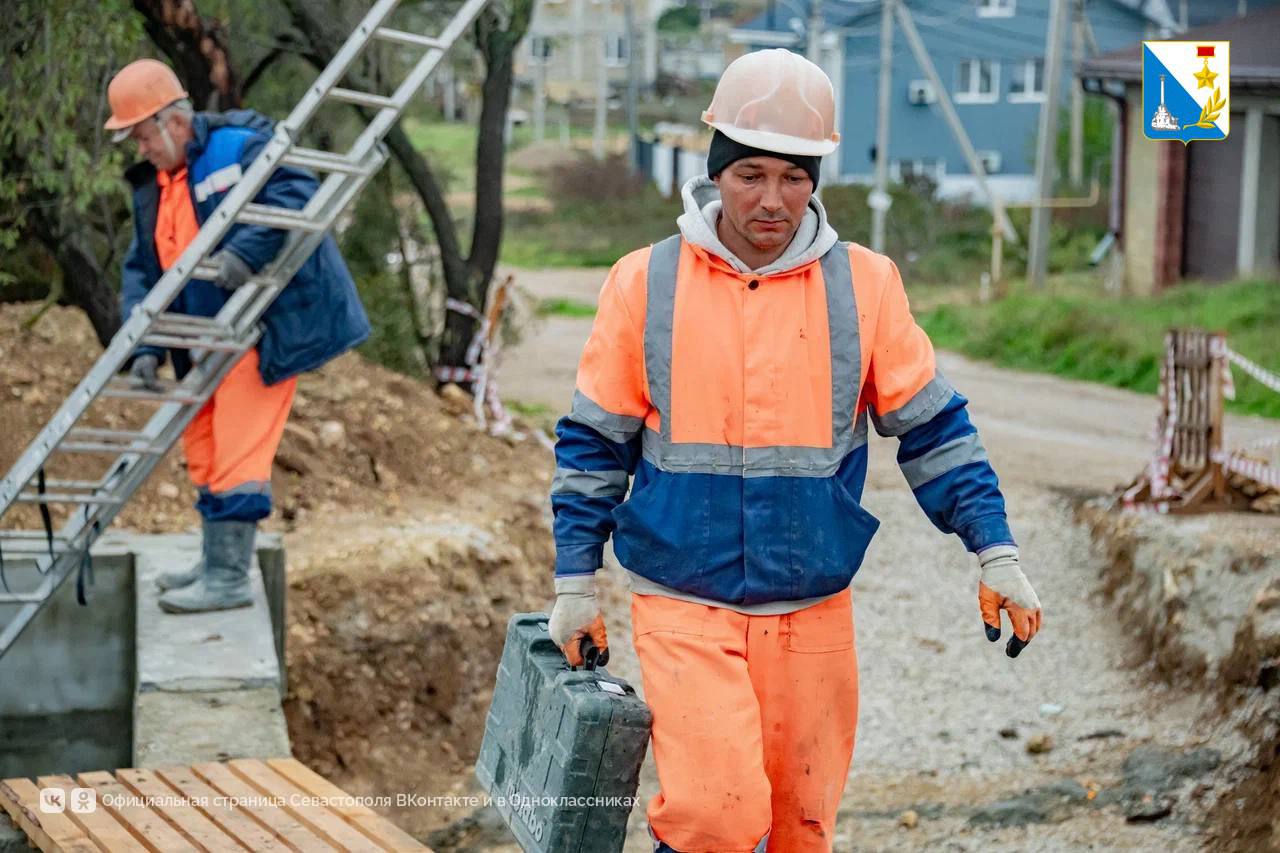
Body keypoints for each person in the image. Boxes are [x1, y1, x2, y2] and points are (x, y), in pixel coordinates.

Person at [547, 49, 1043, 852]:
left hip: (812, 615)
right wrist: (575, 581)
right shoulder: (646, 282)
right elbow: (593, 445)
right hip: (683, 601)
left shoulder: (865, 285)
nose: (771, 199)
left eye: (793, 175)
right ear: (715, 172)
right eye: (750, 175)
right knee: (712, 814)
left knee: (797, 830)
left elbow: (932, 429)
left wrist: (995, 549)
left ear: (816, 178)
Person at [105, 59, 371, 614]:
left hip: (259, 331)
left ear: (173, 123)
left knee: (236, 453)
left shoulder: (240, 145)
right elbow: (144, 271)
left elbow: (298, 191)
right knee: (202, 449)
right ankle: (215, 563)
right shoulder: (154, 186)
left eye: (141, 136)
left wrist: (244, 254)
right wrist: (149, 347)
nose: (140, 149)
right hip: (200, 342)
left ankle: (227, 580)